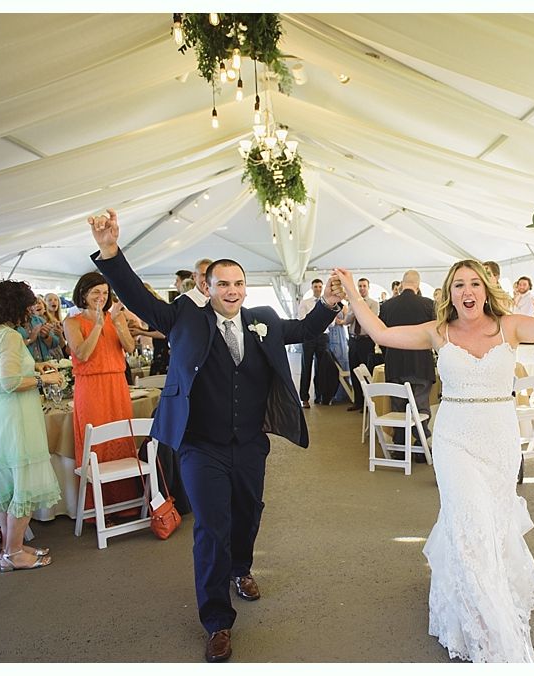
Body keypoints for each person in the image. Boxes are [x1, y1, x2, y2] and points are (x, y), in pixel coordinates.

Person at [89, 208, 340, 661]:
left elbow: (304, 329)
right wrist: (111, 251)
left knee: (248, 511)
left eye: (238, 284)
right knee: (210, 526)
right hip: (199, 446)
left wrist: (330, 303)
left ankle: (240, 568)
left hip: (248, 444)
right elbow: (139, 301)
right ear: (207, 287)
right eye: (223, 284)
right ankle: (217, 620)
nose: (232, 291)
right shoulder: (185, 316)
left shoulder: (262, 320)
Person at [333, 254, 534, 663]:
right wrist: (351, 291)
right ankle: (488, 623)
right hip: (454, 437)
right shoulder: (437, 332)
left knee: (492, 518)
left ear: (485, 289)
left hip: (499, 437)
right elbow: (381, 331)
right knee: (469, 521)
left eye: (474, 283)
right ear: (449, 294)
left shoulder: (510, 326)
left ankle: (487, 587)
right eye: (459, 285)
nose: (467, 291)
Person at [0, 280, 62, 571]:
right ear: (15, 307)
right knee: (22, 484)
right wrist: (45, 379)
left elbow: (7, 372)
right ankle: (13, 553)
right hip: (17, 419)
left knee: (8, 488)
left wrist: (34, 367)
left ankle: (11, 547)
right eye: (26, 306)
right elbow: (10, 382)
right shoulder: (11, 337)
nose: (29, 312)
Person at [63, 271, 139, 513]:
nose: (101, 297)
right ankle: (98, 507)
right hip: (91, 387)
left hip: (117, 384)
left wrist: (116, 322)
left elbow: (129, 347)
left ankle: (125, 505)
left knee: (121, 440)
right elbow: (83, 354)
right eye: (96, 292)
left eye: (105, 293)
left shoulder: (114, 318)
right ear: (83, 294)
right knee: (96, 443)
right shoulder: (72, 322)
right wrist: (97, 324)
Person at [378, 270, 436, 447]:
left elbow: (380, 336)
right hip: (421, 364)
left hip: (395, 363)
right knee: (420, 406)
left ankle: (400, 446)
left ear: (402, 285)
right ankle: (421, 444)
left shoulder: (387, 305)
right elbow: (436, 334)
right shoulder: (429, 305)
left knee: (398, 407)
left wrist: (389, 352)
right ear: (417, 286)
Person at [343, 277, 380, 411]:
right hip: (353, 340)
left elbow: (371, 319)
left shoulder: (373, 304)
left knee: (366, 372)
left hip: (366, 341)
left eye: (364, 286)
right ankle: (357, 401)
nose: (362, 288)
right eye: (360, 286)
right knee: (354, 371)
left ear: (368, 288)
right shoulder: (352, 303)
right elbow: (346, 321)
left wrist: (361, 309)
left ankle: (368, 403)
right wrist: (353, 311)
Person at [296, 278, 331, 407]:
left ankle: (320, 396)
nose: (318, 289)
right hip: (308, 337)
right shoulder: (305, 302)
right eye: (315, 286)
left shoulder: (326, 303)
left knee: (322, 368)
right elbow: (301, 319)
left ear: (322, 288)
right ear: (312, 288)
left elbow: (331, 322)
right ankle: (304, 398)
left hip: (323, 337)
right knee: (306, 367)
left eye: (319, 287)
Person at [17, 296, 62, 362]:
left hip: (44, 364)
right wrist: (30, 339)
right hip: (25, 367)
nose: (32, 307)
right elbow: (11, 347)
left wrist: (46, 336)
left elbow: (54, 343)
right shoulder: (11, 324)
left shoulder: (38, 320)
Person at [43, 293, 68, 358]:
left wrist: (60, 335)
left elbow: (62, 345)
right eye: (50, 300)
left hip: (61, 355)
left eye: (56, 300)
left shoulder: (61, 322)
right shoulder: (42, 321)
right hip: (48, 356)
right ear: (44, 303)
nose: (53, 301)